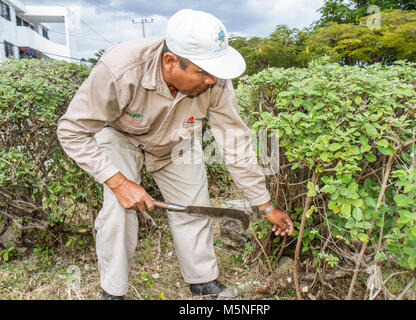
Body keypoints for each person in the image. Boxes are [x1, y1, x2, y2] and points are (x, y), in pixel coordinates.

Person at [57, 8, 293, 300]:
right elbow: (71, 130)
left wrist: (265, 205)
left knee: (194, 204)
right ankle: (113, 291)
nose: (211, 80)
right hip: (120, 134)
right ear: (170, 62)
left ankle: (202, 280)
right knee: (120, 208)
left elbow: (235, 142)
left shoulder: (215, 82)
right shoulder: (121, 68)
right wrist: (118, 182)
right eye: (202, 72)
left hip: (177, 139)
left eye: (214, 72)